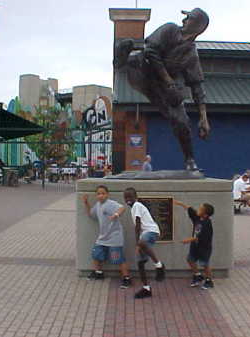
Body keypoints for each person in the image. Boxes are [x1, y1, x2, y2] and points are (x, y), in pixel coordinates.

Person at [115, 8, 211, 171]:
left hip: (167, 89)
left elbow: (197, 86)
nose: (184, 21)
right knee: (128, 49)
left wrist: (203, 117)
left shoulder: (191, 55)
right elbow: (151, 51)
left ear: (198, 26)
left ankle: (190, 160)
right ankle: (120, 61)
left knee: (182, 121)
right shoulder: (170, 29)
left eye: (189, 18)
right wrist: (168, 80)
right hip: (145, 74)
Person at [82, 185, 131, 288]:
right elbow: (91, 214)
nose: (100, 196)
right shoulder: (98, 205)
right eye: (98, 194)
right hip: (103, 237)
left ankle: (126, 278)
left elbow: (122, 208)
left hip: (114, 237)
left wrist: (116, 215)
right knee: (96, 254)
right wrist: (86, 202)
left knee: (118, 259)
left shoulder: (110, 204)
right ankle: (98, 273)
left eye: (103, 193)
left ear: (107, 194)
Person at [124, 187, 166, 299]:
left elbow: (138, 225)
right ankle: (146, 288)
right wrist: (139, 243)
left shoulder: (137, 205)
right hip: (145, 234)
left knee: (141, 243)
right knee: (140, 262)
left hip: (151, 231)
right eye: (126, 197)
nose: (128, 199)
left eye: (130, 197)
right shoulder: (132, 208)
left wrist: (137, 242)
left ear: (136, 197)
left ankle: (159, 266)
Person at [173, 200, 214, 289]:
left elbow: (197, 237)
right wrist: (179, 203)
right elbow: (189, 209)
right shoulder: (197, 218)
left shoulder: (206, 223)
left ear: (205, 214)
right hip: (195, 246)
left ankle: (209, 280)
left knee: (204, 264)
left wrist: (186, 240)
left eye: (201, 209)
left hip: (204, 248)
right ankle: (197, 275)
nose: (198, 210)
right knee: (190, 259)